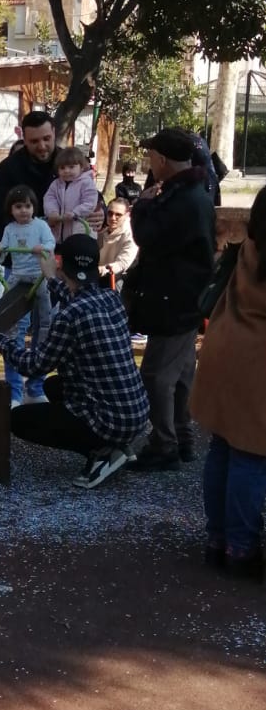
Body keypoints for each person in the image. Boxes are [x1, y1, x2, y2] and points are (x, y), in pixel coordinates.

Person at [0, 235, 149, 490]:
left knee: (17, 419)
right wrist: (52, 279)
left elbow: (34, 365)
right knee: (53, 386)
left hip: (112, 420)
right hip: (136, 412)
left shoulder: (69, 316)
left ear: (62, 265)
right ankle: (116, 443)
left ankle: (103, 450)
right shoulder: (111, 298)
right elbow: (77, 297)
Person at [124, 128, 216, 472]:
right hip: (184, 296)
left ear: (162, 159)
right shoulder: (195, 192)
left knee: (156, 374)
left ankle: (164, 444)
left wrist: (142, 206)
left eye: (152, 156)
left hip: (174, 298)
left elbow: (147, 236)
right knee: (181, 372)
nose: (150, 162)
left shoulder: (183, 199)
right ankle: (182, 436)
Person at [190, 186, 266, 581]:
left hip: (225, 345)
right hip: (257, 358)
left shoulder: (248, 248)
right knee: (252, 454)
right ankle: (241, 545)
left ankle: (217, 539)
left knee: (223, 446)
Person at [0, 185, 56, 406]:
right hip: (18, 278)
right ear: (11, 210)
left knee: (45, 325)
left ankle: (36, 387)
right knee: (14, 329)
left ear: (33, 207)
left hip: (39, 277)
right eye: (18, 207)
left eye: (27, 206)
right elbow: (3, 250)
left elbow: (50, 244)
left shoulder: (41, 226)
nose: (24, 211)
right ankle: (15, 391)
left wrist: (41, 248)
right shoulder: (10, 229)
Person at [0, 110, 58, 246]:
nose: (42, 146)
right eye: (34, 141)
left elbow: (88, 194)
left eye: (46, 139)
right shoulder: (8, 169)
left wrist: (97, 210)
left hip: (64, 243)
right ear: (24, 140)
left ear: (54, 132)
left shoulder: (71, 163)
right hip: (20, 247)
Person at [43, 145, 100, 243]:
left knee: (78, 248)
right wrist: (52, 212)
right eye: (62, 168)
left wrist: (75, 212)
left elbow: (90, 202)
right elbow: (49, 198)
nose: (66, 171)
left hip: (81, 231)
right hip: (59, 233)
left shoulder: (86, 183)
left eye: (71, 167)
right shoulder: (56, 184)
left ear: (81, 167)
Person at [98, 198, 137, 286]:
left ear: (127, 215)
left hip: (117, 279)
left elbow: (122, 264)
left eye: (118, 215)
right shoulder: (102, 232)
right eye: (110, 213)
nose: (113, 218)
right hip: (97, 275)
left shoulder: (131, 235)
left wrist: (103, 269)